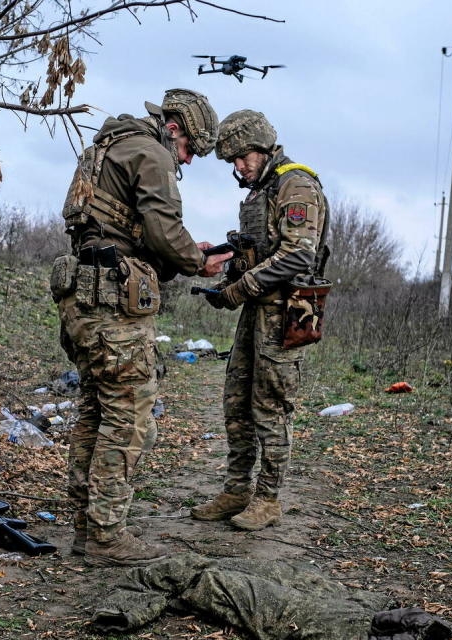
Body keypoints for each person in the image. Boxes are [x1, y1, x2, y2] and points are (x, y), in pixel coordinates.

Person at [51, 89, 230, 566]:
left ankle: (87, 529)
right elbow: (164, 230)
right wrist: (199, 261)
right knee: (129, 419)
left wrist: (183, 255)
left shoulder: (108, 147)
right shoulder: (152, 153)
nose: (187, 161)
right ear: (175, 130)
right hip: (113, 305)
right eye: (191, 149)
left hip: (83, 299)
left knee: (95, 411)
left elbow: (123, 232)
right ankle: (108, 538)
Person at [191, 109, 329, 531]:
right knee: (236, 403)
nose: (237, 167)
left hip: (287, 312)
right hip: (256, 312)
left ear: (262, 147)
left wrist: (241, 287)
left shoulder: (296, 185)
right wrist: (226, 269)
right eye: (232, 160)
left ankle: (267, 498)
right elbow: (259, 251)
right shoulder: (260, 192)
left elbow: (298, 254)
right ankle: (236, 490)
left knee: (270, 407)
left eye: (241, 158)